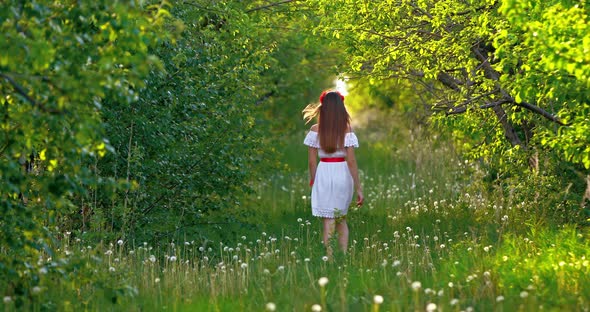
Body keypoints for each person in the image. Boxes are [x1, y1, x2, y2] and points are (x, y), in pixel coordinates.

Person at [302, 90, 364, 255]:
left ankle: (329, 257)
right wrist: (358, 188)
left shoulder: (315, 130)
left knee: (328, 220)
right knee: (341, 218)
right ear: (340, 108)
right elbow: (351, 161)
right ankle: (343, 255)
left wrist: (314, 180)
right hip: (342, 173)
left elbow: (311, 161)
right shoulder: (347, 130)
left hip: (324, 172)